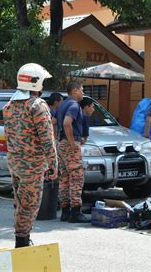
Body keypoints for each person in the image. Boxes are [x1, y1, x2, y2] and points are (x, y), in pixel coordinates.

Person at [3, 63, 58, 248]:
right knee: (30, 205)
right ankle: (22, 243)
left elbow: (9, 137)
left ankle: (22, 239)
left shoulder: (8, 106)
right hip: (32, 166)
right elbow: (47, 140)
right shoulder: (37, 106)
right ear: (35, 82)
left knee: (20, 203)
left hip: (15, 164)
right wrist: (54, 165)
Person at [56, 82, 90, 223]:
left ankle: (65, 211)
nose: (83, 92)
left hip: (61, 144)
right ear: (75, 91)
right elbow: (66, 123)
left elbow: (54, 121)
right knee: (76, 177)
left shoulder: (62, 104)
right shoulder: (74, 105)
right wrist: (72, 142)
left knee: (64, 177)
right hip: (69, 144)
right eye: (82, 90)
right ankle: (75, 212)